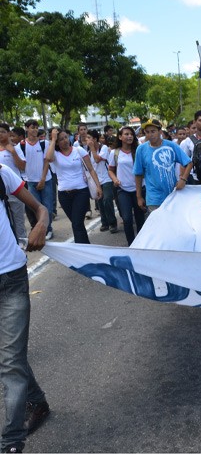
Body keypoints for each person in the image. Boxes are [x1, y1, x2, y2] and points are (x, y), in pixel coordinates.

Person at [0, 164, 51, 454]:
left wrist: (41, 223)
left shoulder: (2, 172)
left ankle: (11, 442)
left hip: (10, 280)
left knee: (9, 363)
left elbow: (40, 208)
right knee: (11, 357)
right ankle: (38, 402)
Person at [44, 128, 102, 244]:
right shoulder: (55, 154)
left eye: (66, 137)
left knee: (76, 223)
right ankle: (87, 248)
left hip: (81, 192)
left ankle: (81, 251)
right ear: (56, 142)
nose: (65, 141)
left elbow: (91, 169)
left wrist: (98, 186)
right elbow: (48, 158)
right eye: (61, 139)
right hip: (64, 195)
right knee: (77, 224)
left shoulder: (78, 150)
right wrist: (53, 139)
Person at [134, 119, 192, 212]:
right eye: (147, 132)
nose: (150, 134)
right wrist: (139, 196)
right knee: (157, 225)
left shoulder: (171, 146)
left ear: (160, 131)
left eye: (153, 131)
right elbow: (138, 174)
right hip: (154, 199)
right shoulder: (141, 149)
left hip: (172, 195)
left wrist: (183, 179)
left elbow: (189, 163)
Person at [108, 126, 145, 245]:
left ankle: (142, 243)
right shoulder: (115, 153)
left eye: (131, 134)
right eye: (126, 134)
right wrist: (115, 179)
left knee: (140, 219)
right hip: (123, 191)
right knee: (127, 219)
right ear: (120, 137)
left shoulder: (139, 150)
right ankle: (132, 244)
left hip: (139, 190)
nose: (129, 136)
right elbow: (110, 170)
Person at [21, 119, 54, 240]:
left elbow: (46, 161)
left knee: (48, 207)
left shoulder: (44, 143)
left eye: (36, 127)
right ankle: (42, 230)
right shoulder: (21, 145)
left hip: (46, 180)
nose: (34, 130)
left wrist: (43, 179)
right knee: (36, 208)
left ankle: (49, 229)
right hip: (31, 182)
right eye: (32, 127)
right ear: (26, 129)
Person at [86, 130, 118, 233]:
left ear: (95, 139)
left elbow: (97, 159)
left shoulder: (103, 148)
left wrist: (92, 148)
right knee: (100, 201)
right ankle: (105, 223)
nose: (87, 140)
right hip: (97, 181)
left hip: (107, 178)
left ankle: (113, 223)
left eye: (89, 138)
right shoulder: (88, 151)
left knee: (107, 200)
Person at [0, 123, 27, 240]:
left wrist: (13, 152)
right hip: (1, 192)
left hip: (15, 191)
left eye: (2, 131)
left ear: (9, 133)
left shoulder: (15, 148)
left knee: (19, 221)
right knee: (4, 223)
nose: (0, 134)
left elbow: (22, 167)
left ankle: (22, 246)